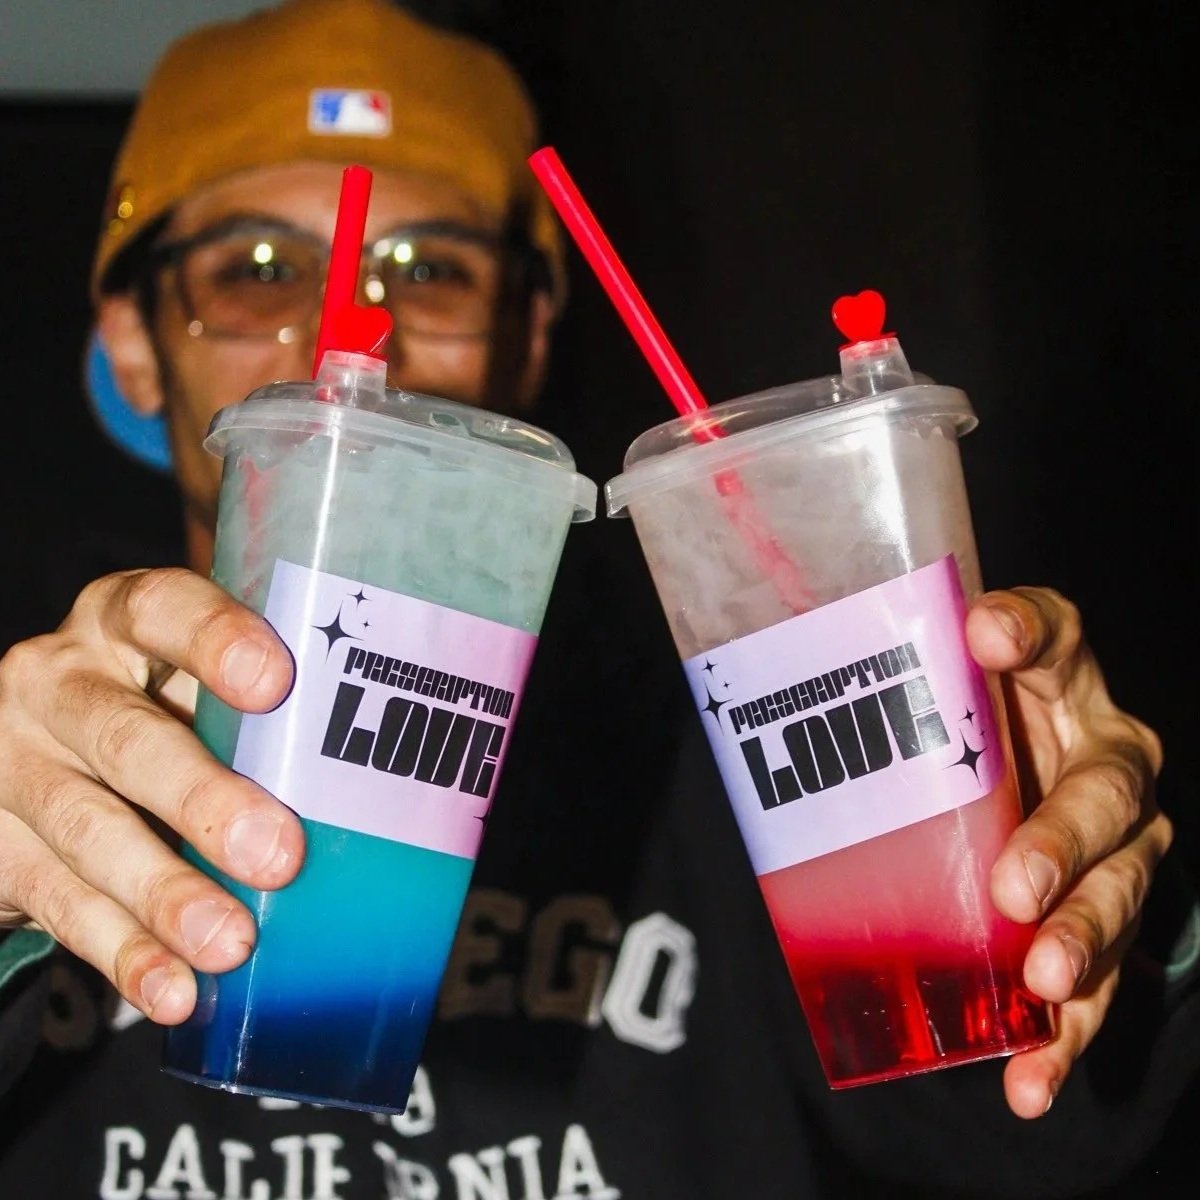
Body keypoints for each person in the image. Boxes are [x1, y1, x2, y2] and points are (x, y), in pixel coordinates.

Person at [0, 1, 1194, 1195]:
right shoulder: (30, 722)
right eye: (255, 268)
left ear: (524, 337)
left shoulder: (719, 709)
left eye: (435, 271)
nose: (344, 329)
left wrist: (1111, 925)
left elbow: (1027, 1135)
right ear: (136, 341)